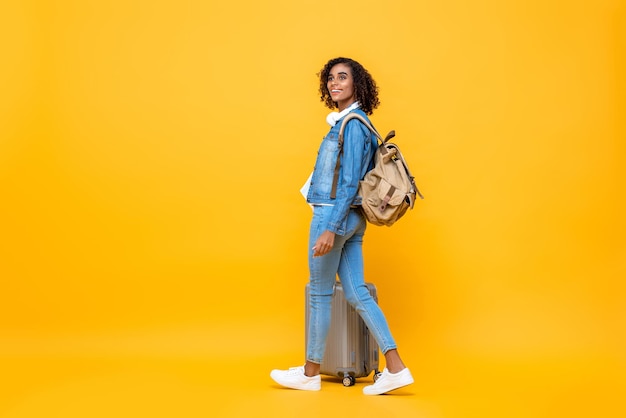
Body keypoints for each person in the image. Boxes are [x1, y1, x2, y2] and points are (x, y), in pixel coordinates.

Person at [270, 57, 414, 395]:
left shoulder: (350, 125)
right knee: (357, 293)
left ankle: (309, 373)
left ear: (356, 84)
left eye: (343, 78)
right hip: (354, 218)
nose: (335, 83)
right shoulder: (359, 123)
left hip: (333, 215)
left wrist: (329, 227)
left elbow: (349, 182)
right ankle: (396, 368)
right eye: (331, 78)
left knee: (320, 295)